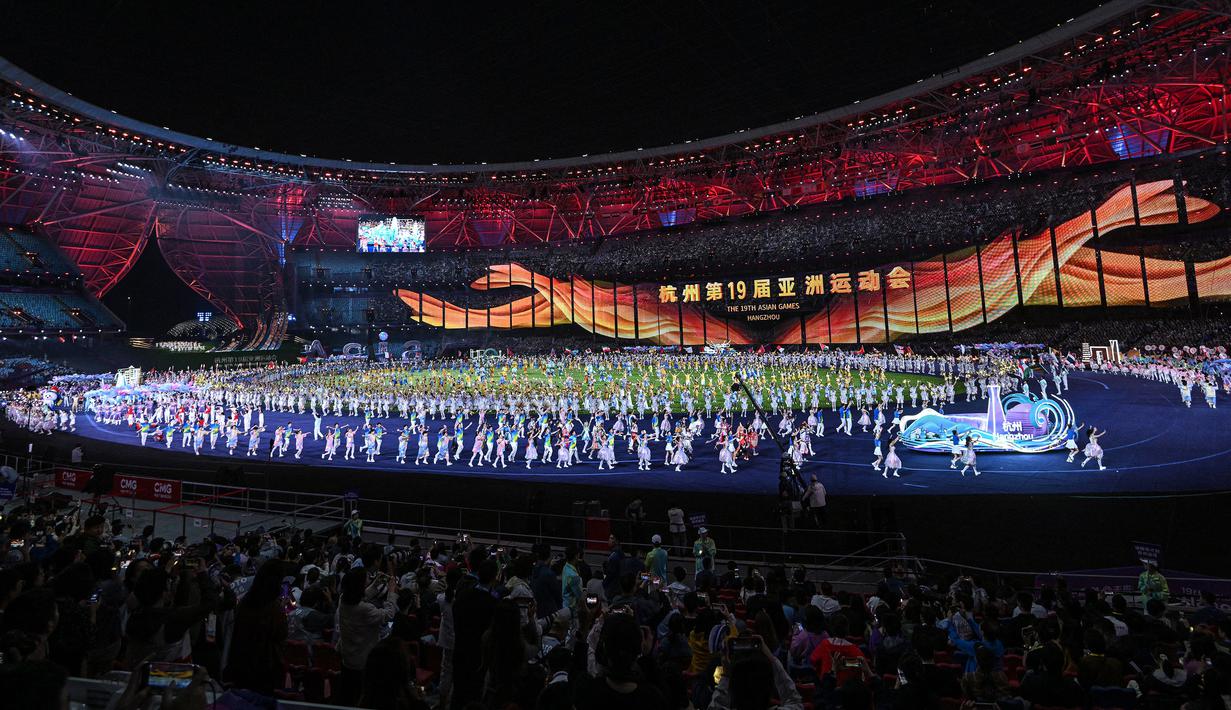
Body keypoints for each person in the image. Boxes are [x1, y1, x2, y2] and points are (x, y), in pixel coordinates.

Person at [224, 560, 288, 695]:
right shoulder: (274, 608)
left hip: (241, 664)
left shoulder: (245, 602)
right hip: (264, 669)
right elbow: (281, 636)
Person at [337, 565, 398, 706]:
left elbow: (361, 595)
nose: (368, 580)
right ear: (359, 585)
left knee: (348, 695)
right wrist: (391, 592)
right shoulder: (365, 609)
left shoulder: (343, 599)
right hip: (362, 663)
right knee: (361, 697)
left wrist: (376, 583)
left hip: (347, 658)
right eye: (367, 579)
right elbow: (388, 614)